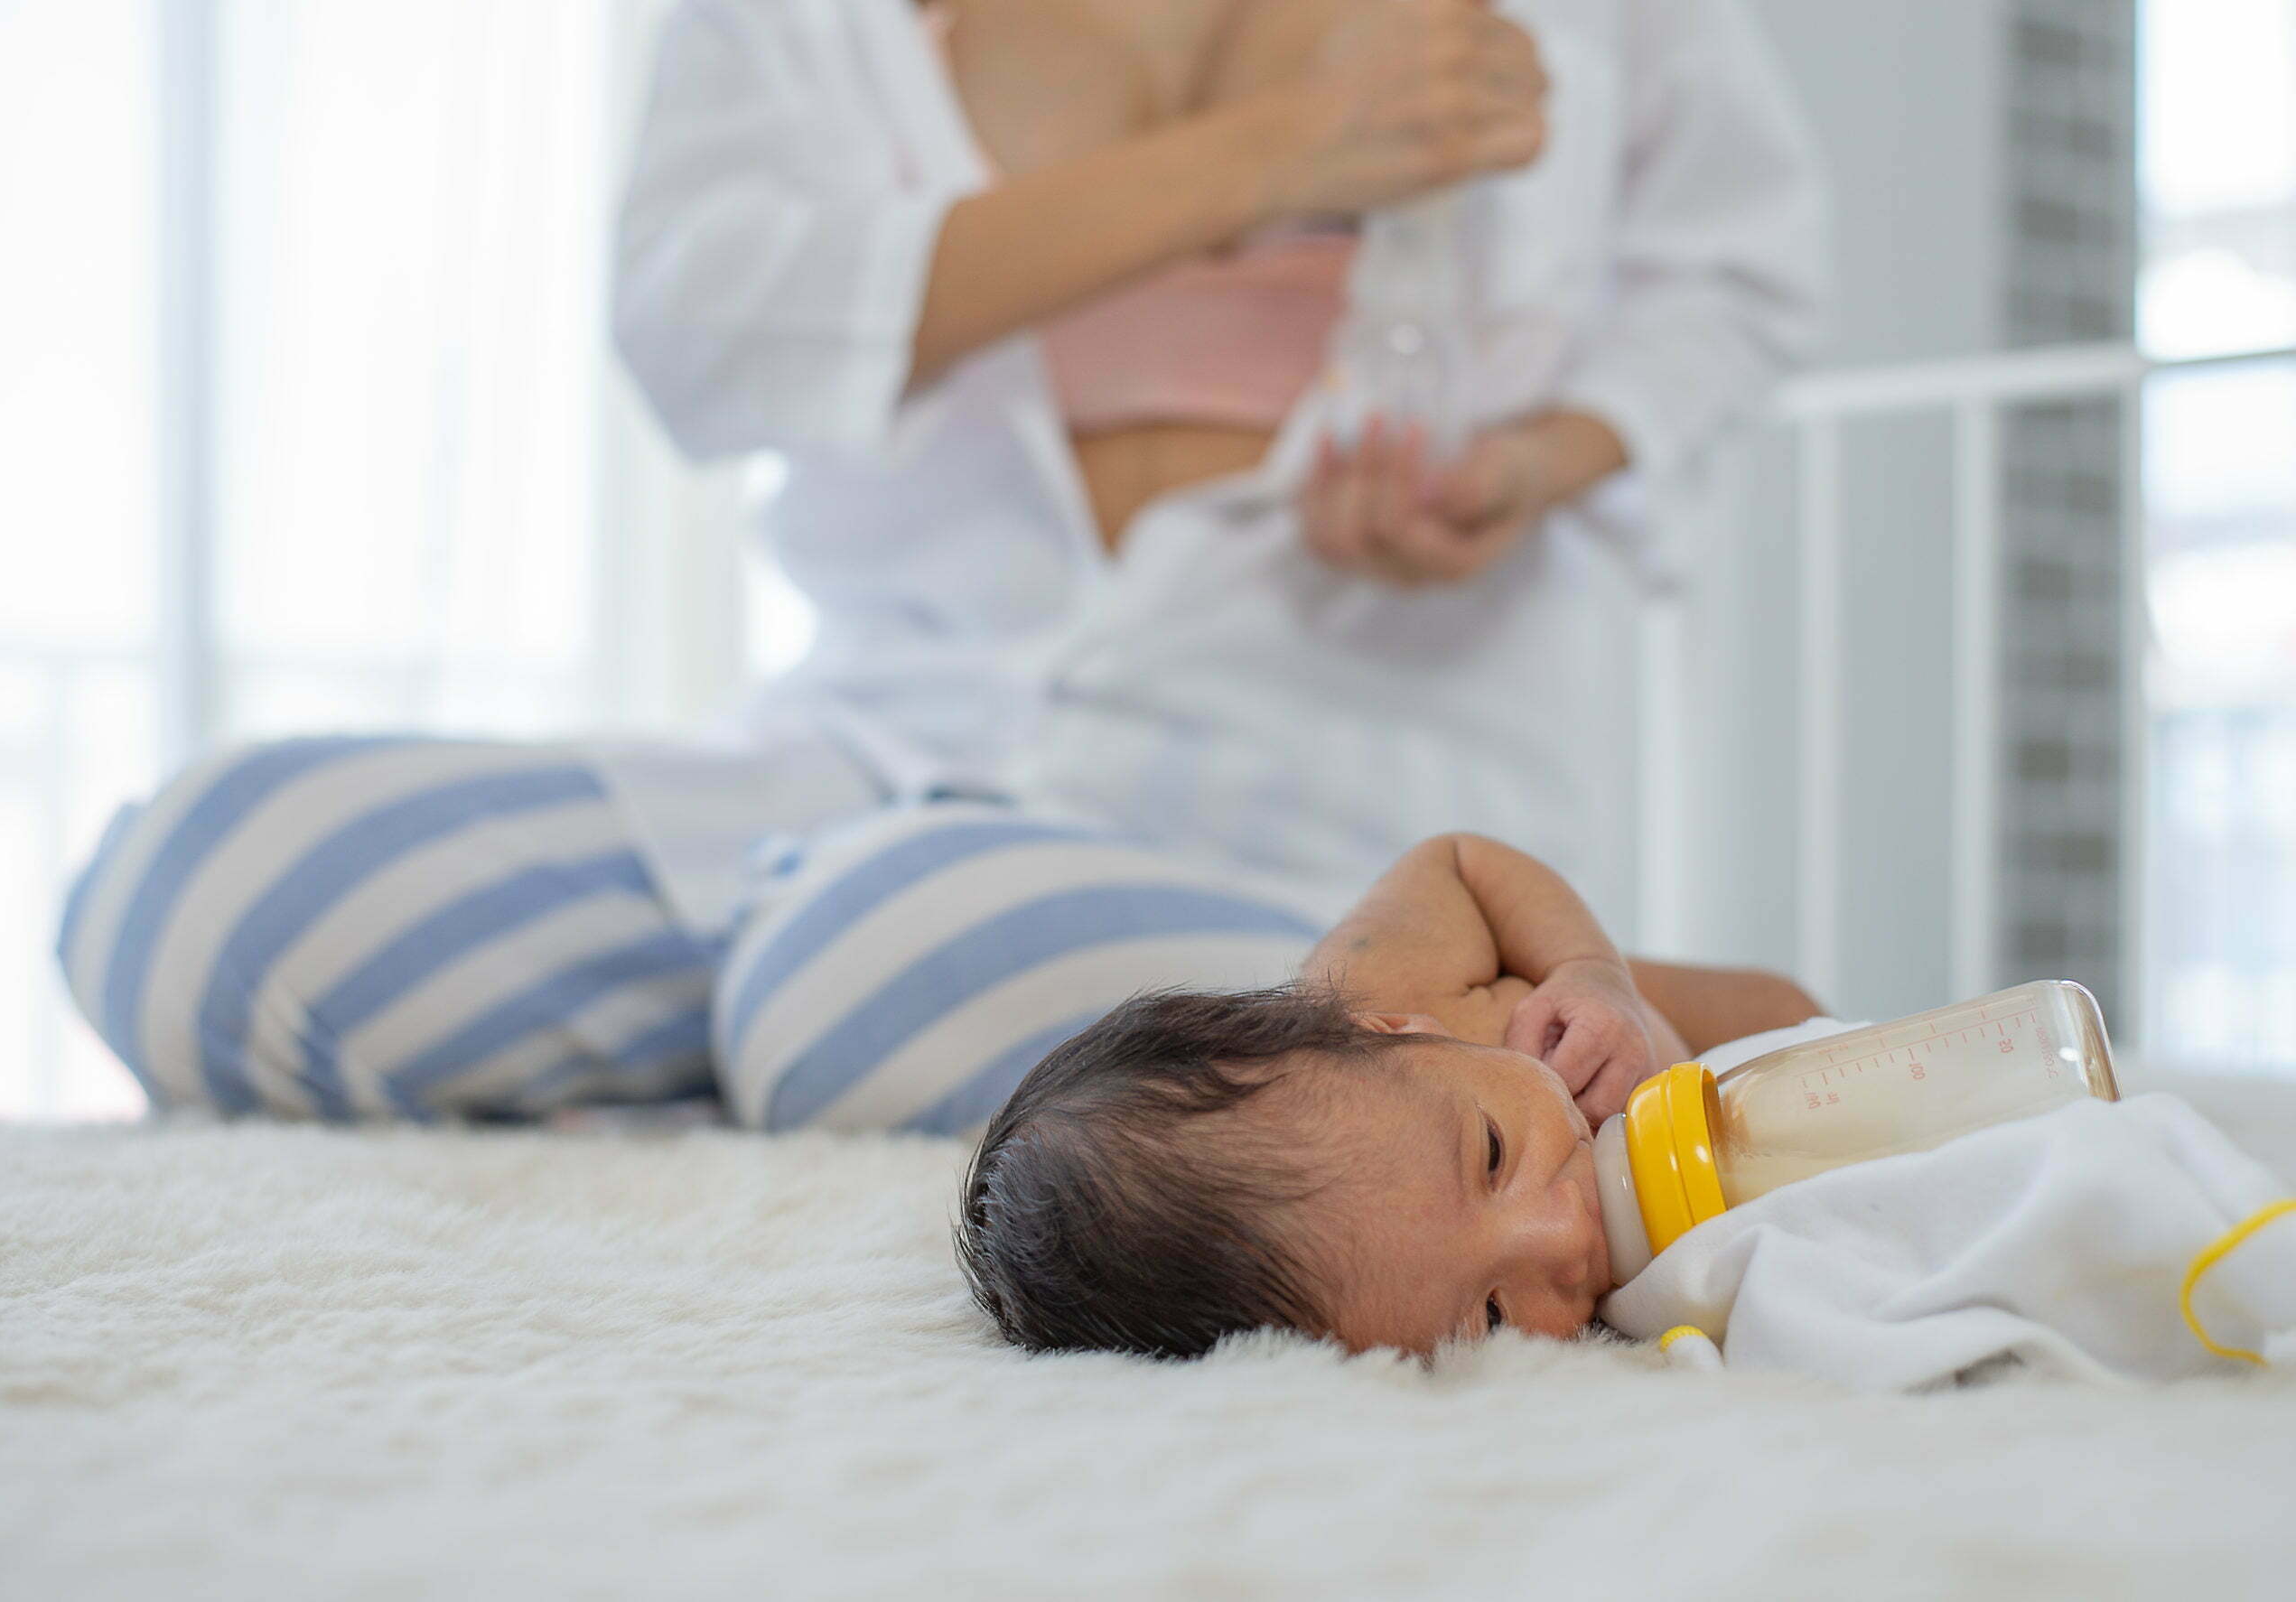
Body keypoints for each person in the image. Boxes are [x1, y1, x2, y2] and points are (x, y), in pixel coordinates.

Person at [610, 0, 1826, 927]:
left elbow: (1736, 281)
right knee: (419, 865)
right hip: (892, 725)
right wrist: (1280, 150)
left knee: (871, 961)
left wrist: (1535, 462)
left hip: (1351, 781)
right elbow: (690, 323)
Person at [956, 828, 1820, 1359]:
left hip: (1691, 1029)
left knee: (1804, 1022)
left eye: (1490, 1153)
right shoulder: (1373, 1293)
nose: (1561, 1236)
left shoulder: (1378, 976)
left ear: (1392, 1030)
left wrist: (1589, 975)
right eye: (1489, 1316)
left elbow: (1462, 861)